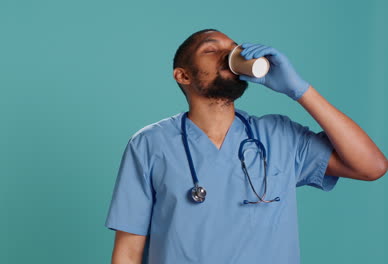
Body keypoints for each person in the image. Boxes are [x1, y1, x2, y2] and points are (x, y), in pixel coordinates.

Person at [104, 29, 388, 264]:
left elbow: (371, 166)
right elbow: (128, 253)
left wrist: (300, 91)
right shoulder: (150, 144)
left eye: (233, 48)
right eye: (211, 49)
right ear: (183, 75)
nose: (229, 54)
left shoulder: (280, 135)